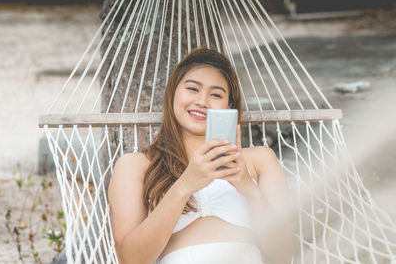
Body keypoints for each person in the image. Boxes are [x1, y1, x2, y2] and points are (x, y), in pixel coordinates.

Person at [108, 48, 295, 264]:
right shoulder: (135, 166)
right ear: (173, 94)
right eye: (192, 89)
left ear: (229, 106)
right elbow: (130, 259)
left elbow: (283, 256)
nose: (202, 101)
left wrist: (249, 189)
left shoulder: (259, 160)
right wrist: (186, 184)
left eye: (216, 94)